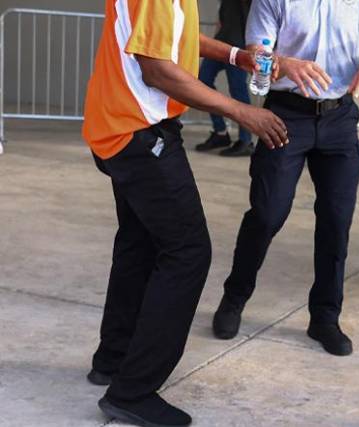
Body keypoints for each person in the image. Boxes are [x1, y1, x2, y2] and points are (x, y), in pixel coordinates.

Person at [81, 0, 288, 424]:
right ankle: (133, 390)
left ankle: (113, 358)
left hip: (119, 126)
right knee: (188, 252)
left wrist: (236, 56)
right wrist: (239, 110)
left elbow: (174, 39)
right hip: (139, 132)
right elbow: (156, 68)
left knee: (139, 245)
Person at [210, 0, 359, 358]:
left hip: (339, 119)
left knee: (336, 222)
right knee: (267, 214)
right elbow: (256, 53)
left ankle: (324, 317)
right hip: (287, 115)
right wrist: (281, 63)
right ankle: (234, 298)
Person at [195, 0, 257, 157]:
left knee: (238, 91)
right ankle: (221, 133)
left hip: (239, 47)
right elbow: (222, 16)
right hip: (220, 43)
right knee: (203, 80)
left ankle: (246, 140)